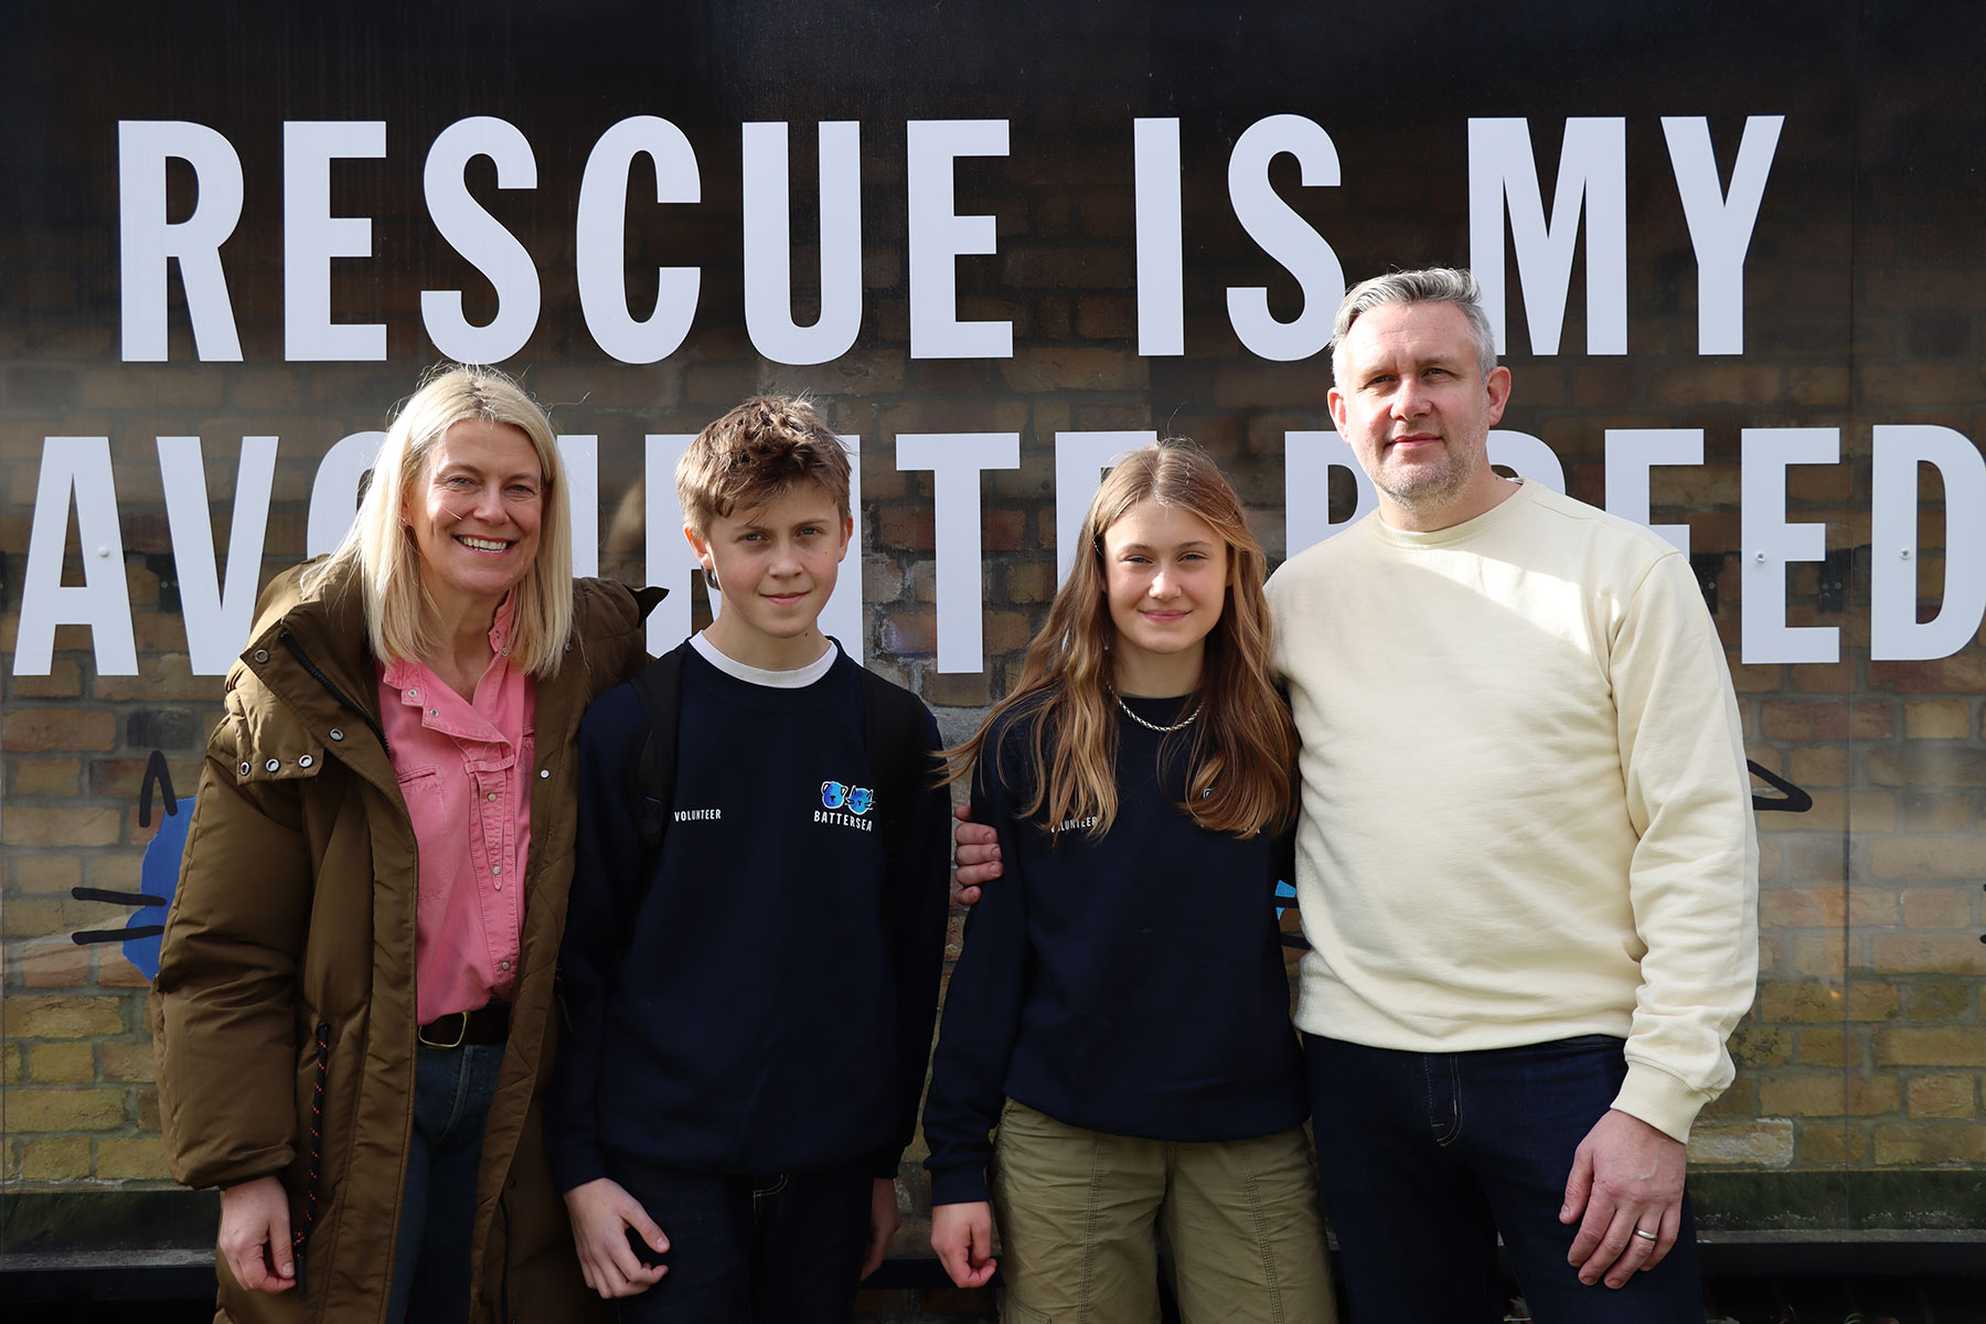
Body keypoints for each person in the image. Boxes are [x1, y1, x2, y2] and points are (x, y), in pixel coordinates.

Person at [954, 269, 1759, 1321]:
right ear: (1342, 412)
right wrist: (987, 845)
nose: (1408, 401)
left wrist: (1659, 1102)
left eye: (1439, 372)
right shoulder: (1295, 600)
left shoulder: (1623, 575)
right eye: (1380, 378)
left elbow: (1699, 845)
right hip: (1362, 1075)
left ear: (1496, 393)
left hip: (1572, 1077)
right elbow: (1202, 813)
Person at [153, 363, 657, 1322]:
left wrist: (937, 844)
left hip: (529, 1095)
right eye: (462, 480)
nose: (492, 511)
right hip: (356, 1097)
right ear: (407, 498)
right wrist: (245, 1170)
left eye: (521, 487)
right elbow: (225, 952)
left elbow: (714, 801)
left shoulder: (591, 655)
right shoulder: (309, 671)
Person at [547, 396, 951, 1322]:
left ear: (846, 535)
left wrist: (881, 1164)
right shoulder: (634, 726)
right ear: (700, 543)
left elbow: (910, 962)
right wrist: (581, 1172)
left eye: (808, 532)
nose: (783, 563)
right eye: (752, 535)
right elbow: (580, 969)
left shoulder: (893, 734)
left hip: (830, 1174)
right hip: (661, 1176)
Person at [923, 440, 1335, 1322]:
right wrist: (956, 1164)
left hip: (1246, 1131)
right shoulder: (1030, 740)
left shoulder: (1278, 733)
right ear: (1097, 570)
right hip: (1068, 1133)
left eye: (1193, 557)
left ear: (1232, 569)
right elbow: (989, 968)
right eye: (1138, 558)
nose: (1164, 586)